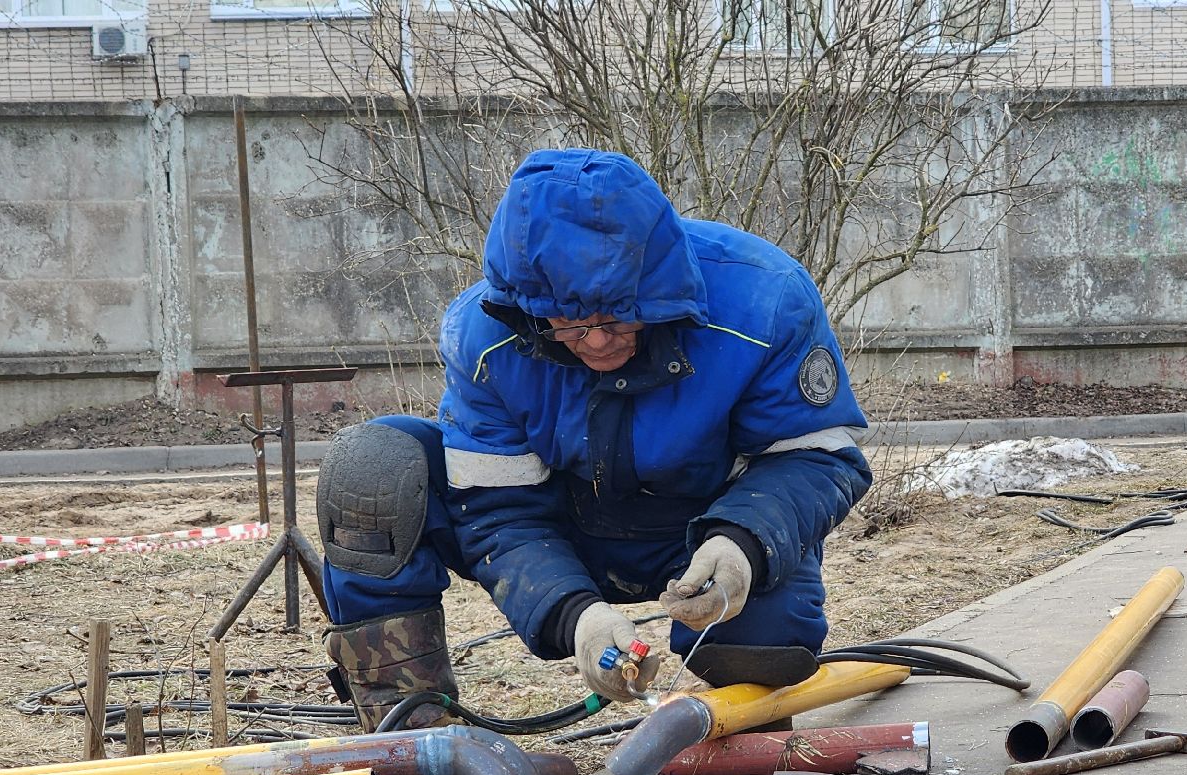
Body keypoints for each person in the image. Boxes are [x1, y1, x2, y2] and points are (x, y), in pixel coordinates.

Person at [316, 148, 871, 729]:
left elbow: (819, 457)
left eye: (620, 318)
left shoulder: (764, 299)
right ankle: (412, 727)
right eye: (570, 325)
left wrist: (743, 545)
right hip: (564, 523)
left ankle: (740, 716)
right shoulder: (485, 337)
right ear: (525, 308)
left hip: (705, 527)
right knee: (373, 467)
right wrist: (575, 618)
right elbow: (499, 511)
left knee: (763, 645)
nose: (599, 343)